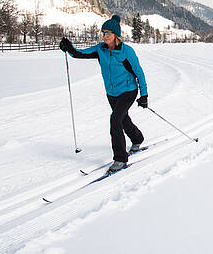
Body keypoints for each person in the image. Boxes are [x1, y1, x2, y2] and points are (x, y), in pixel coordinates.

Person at [59, 14, 149, 174]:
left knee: (115, 119)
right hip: (112, 93)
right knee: (122, 119)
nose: (105, 36)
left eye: (108, 33)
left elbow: (139, 72)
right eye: (103, 33)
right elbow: (80, 53)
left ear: (116, 35)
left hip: (128, 91)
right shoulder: (100, 49)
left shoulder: (126, 52)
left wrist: (144, 95)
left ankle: (120, 159)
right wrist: (69, 48)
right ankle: (137, 139)